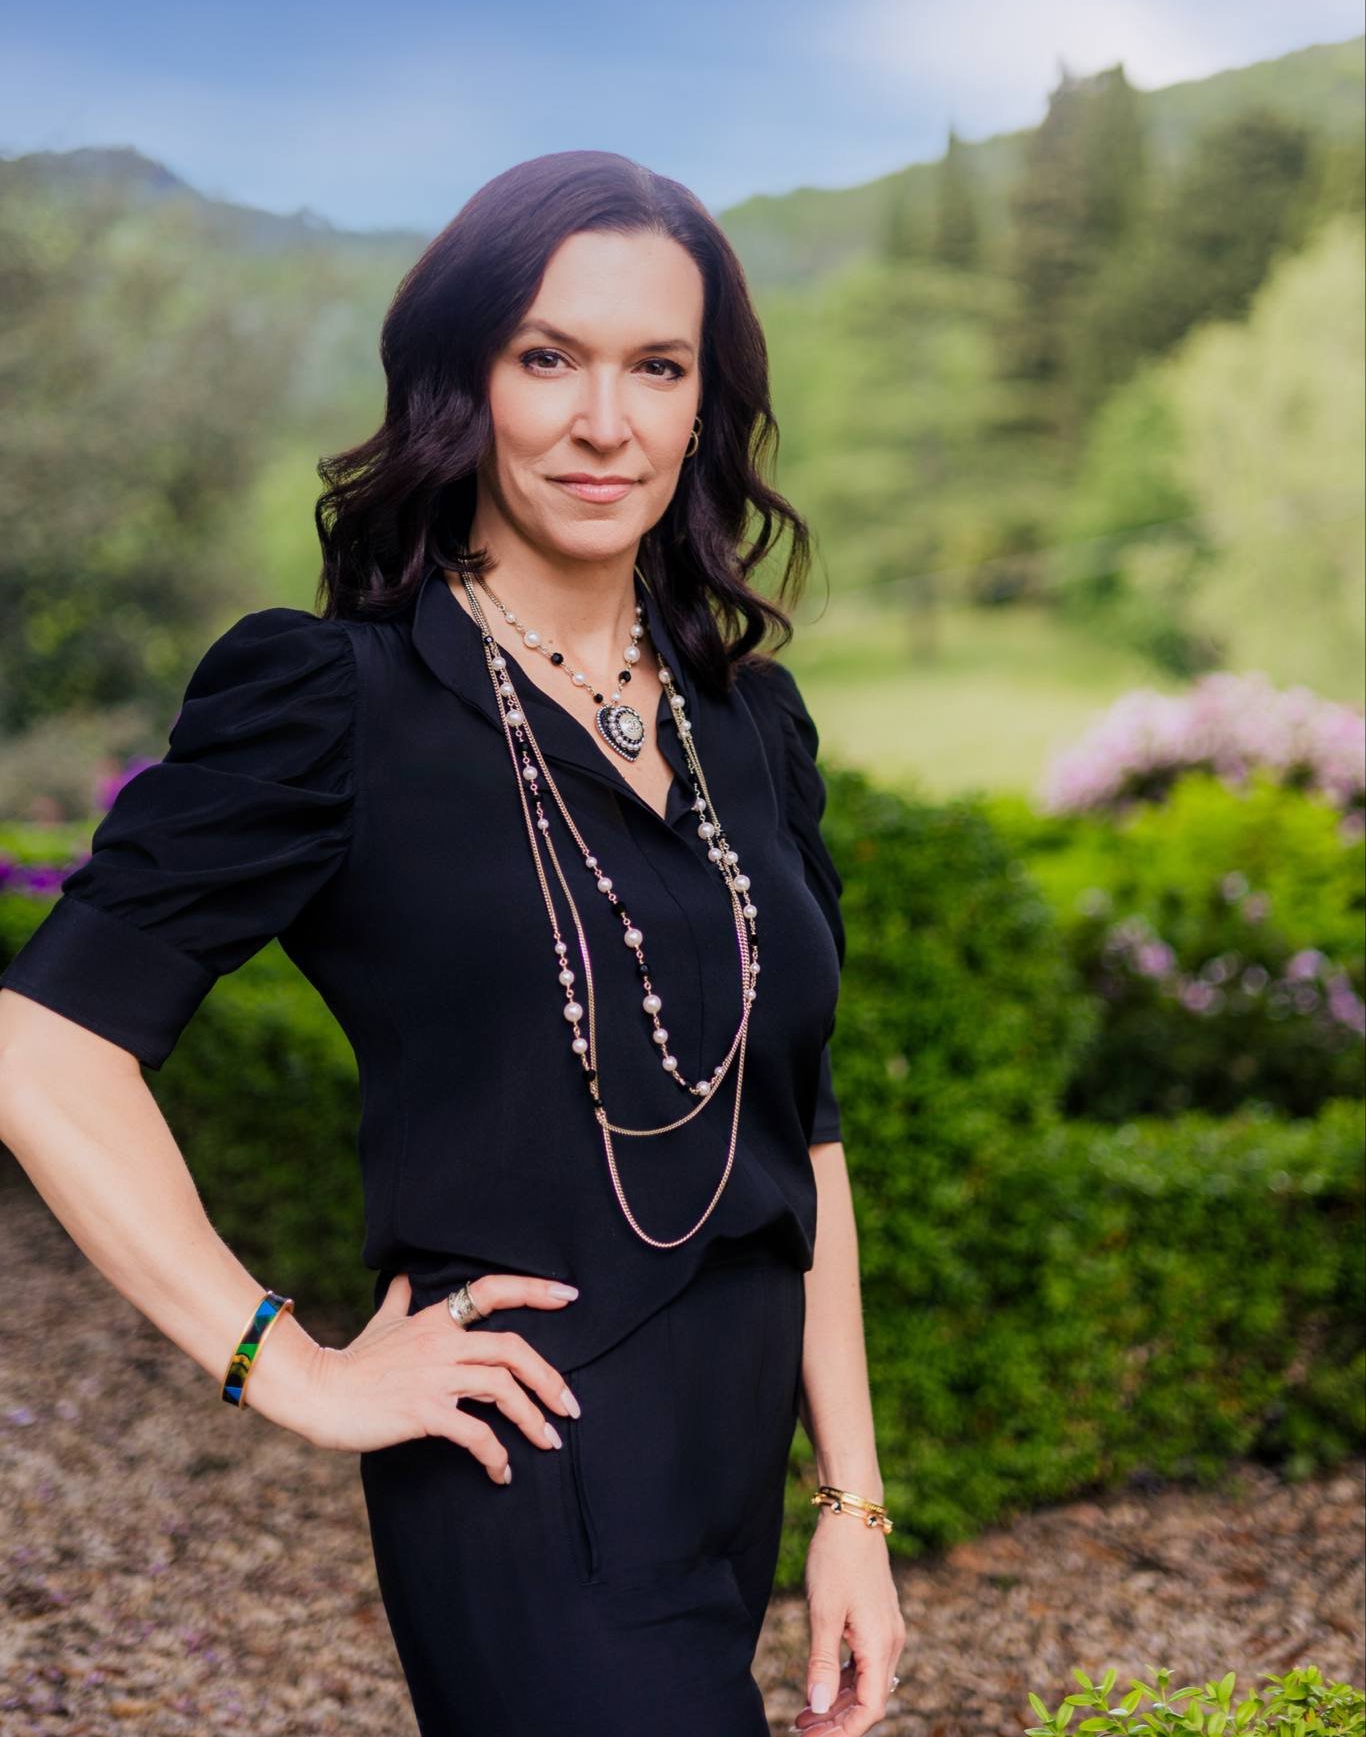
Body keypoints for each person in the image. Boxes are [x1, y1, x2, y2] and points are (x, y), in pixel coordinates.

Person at [0, 149, 906, 1736]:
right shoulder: (333, 700)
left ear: (706, 404)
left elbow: (798, 1124)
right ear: (460, 381)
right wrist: (286, 1365)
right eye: (547, 358)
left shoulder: (747, 723)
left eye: (657, 366)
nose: (604, 420)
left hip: (728, 1472)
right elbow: (43, 1046)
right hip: (522, 1463)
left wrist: (852, 1505)